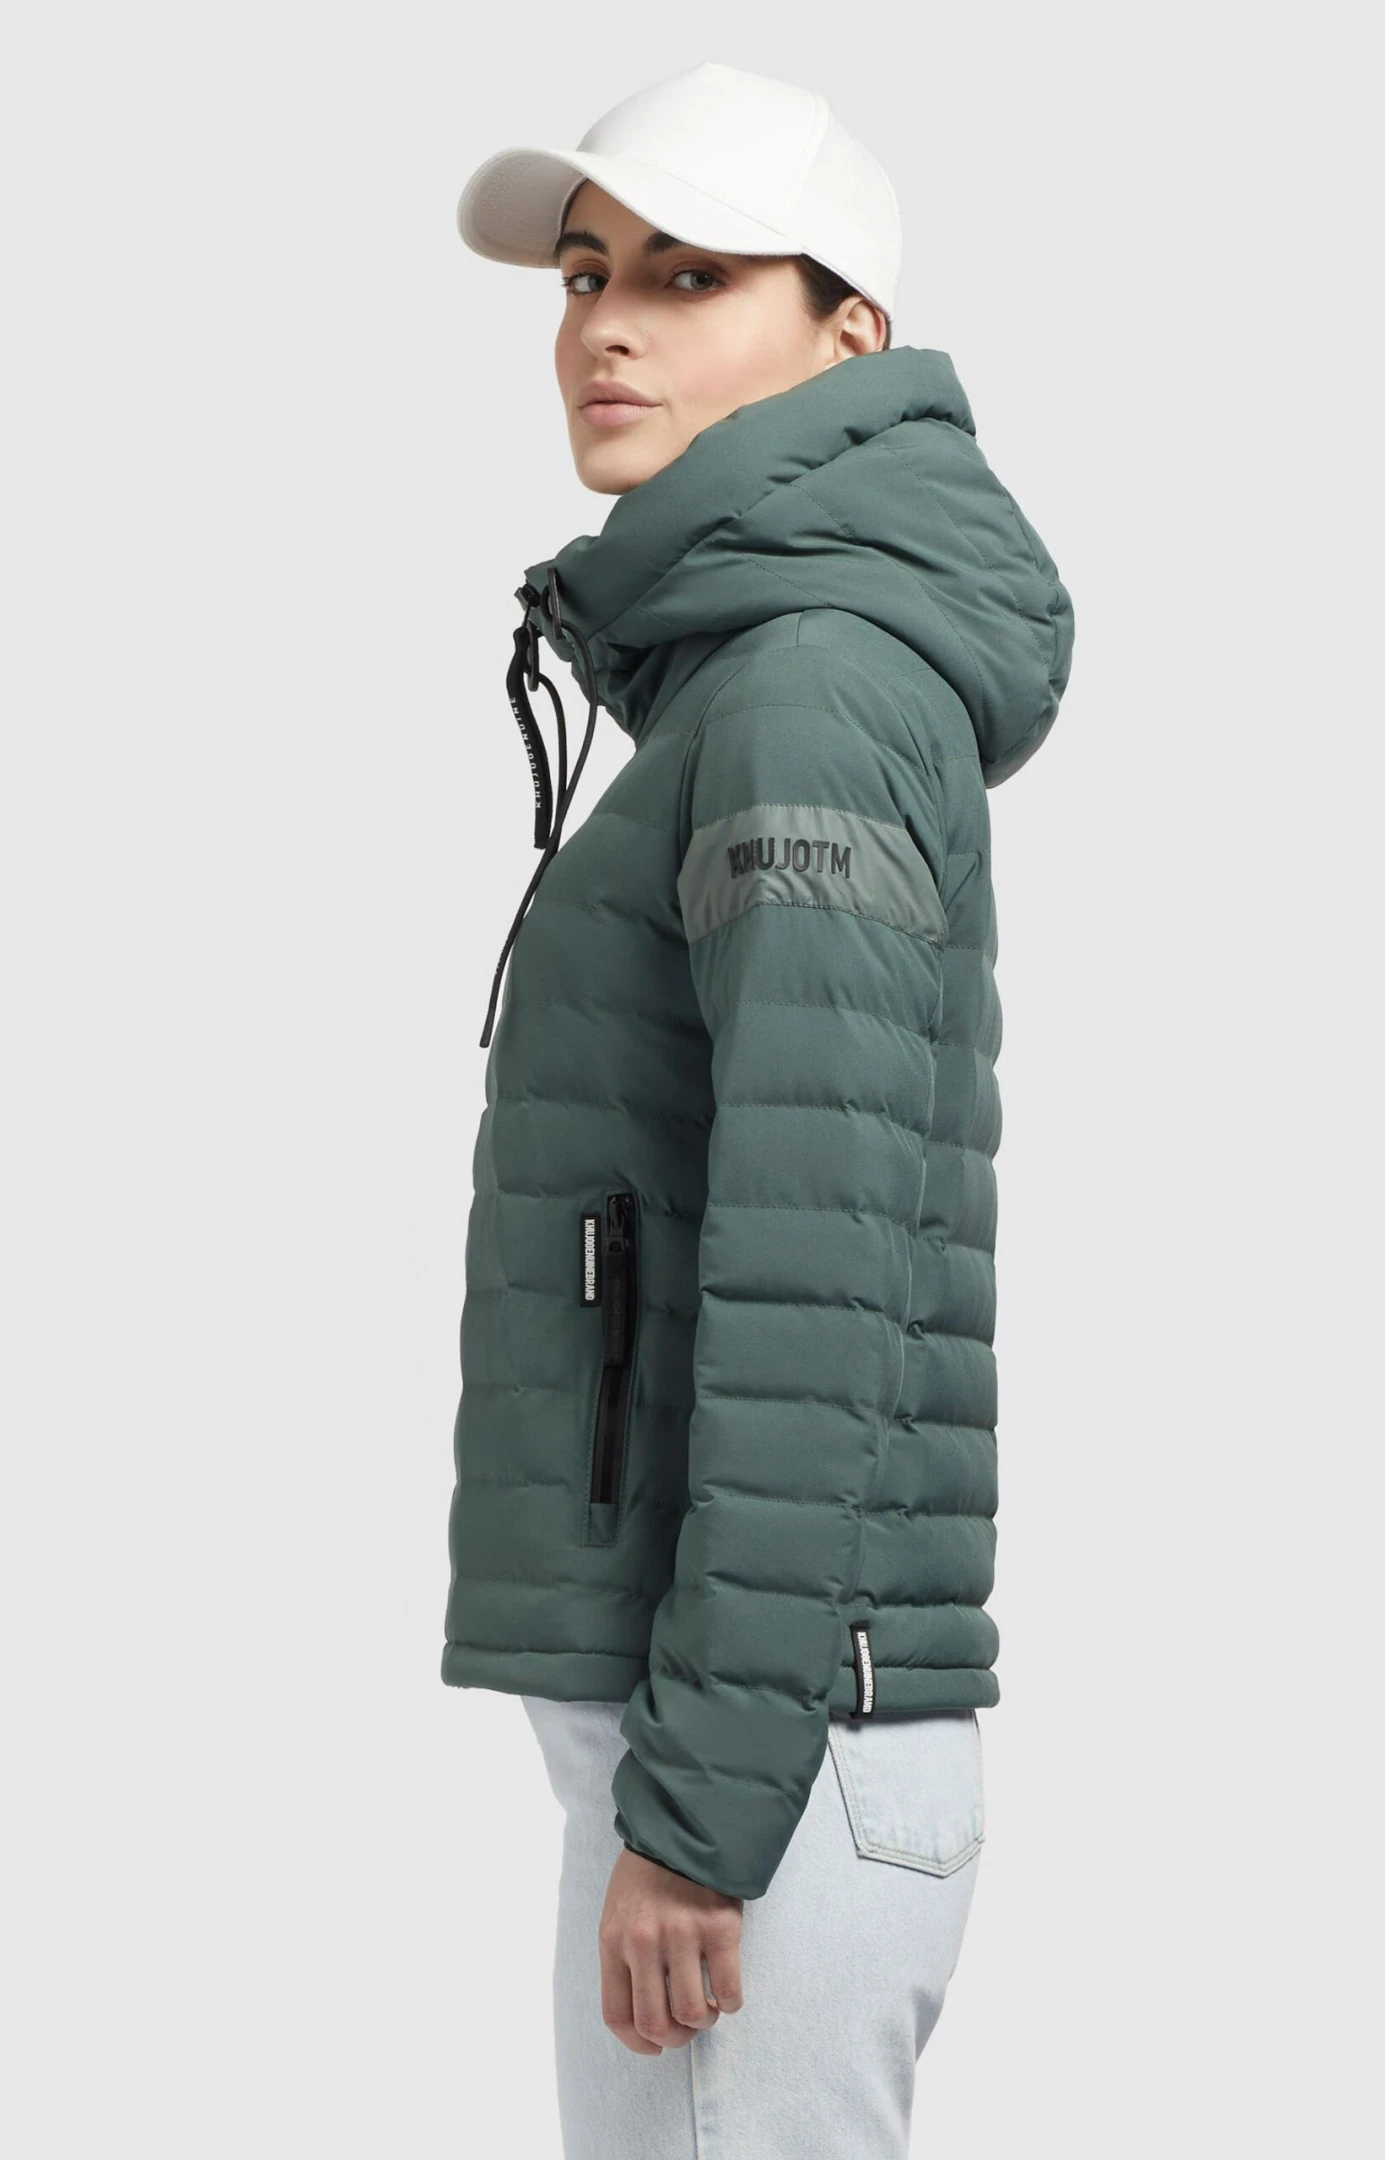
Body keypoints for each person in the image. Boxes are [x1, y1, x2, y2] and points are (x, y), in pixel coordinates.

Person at [444, 59, 1075, 2159]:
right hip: (742, 1744)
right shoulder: (750, 678)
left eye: (691, 275)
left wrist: (705, 1816)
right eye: (586, 274)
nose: (606, 327)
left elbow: (824, 1293)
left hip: (768, 1771)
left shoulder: (807, 689)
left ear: (848, 337)